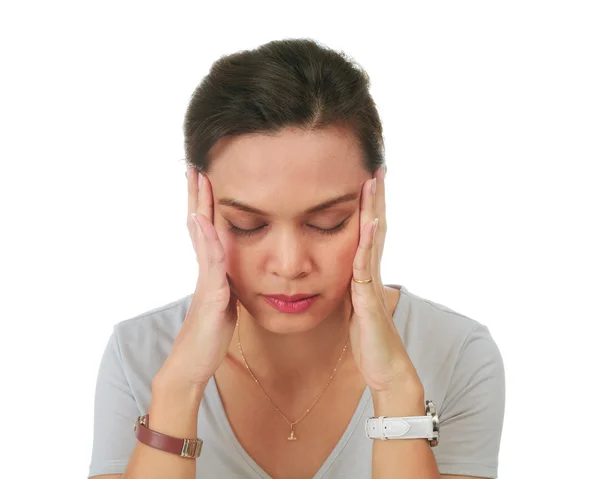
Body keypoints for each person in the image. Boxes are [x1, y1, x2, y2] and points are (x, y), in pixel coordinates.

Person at [88, 38, 505, 479]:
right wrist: (179, 388)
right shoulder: (138, 356)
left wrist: (395, 388)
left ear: (374, 204)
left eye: (327, 222)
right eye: (248, 225)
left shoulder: (457, 354)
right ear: (201, 209)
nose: (289, 265)